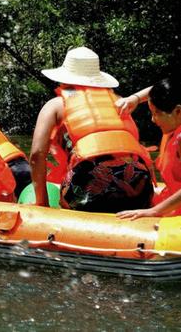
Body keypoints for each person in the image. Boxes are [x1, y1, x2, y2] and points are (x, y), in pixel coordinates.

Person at [29, 47, 153, 212]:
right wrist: (137, 98)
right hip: (140, 188)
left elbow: (37, 155)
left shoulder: (55, 105)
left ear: (64, 79)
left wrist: (42, 203)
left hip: (90, 192)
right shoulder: (121, 102)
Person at [116, 77, 181, 219]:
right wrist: (135, 99)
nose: (153, 119)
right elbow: (161, 89)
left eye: (156, 113)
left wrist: (154, 211)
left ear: (178, 111)